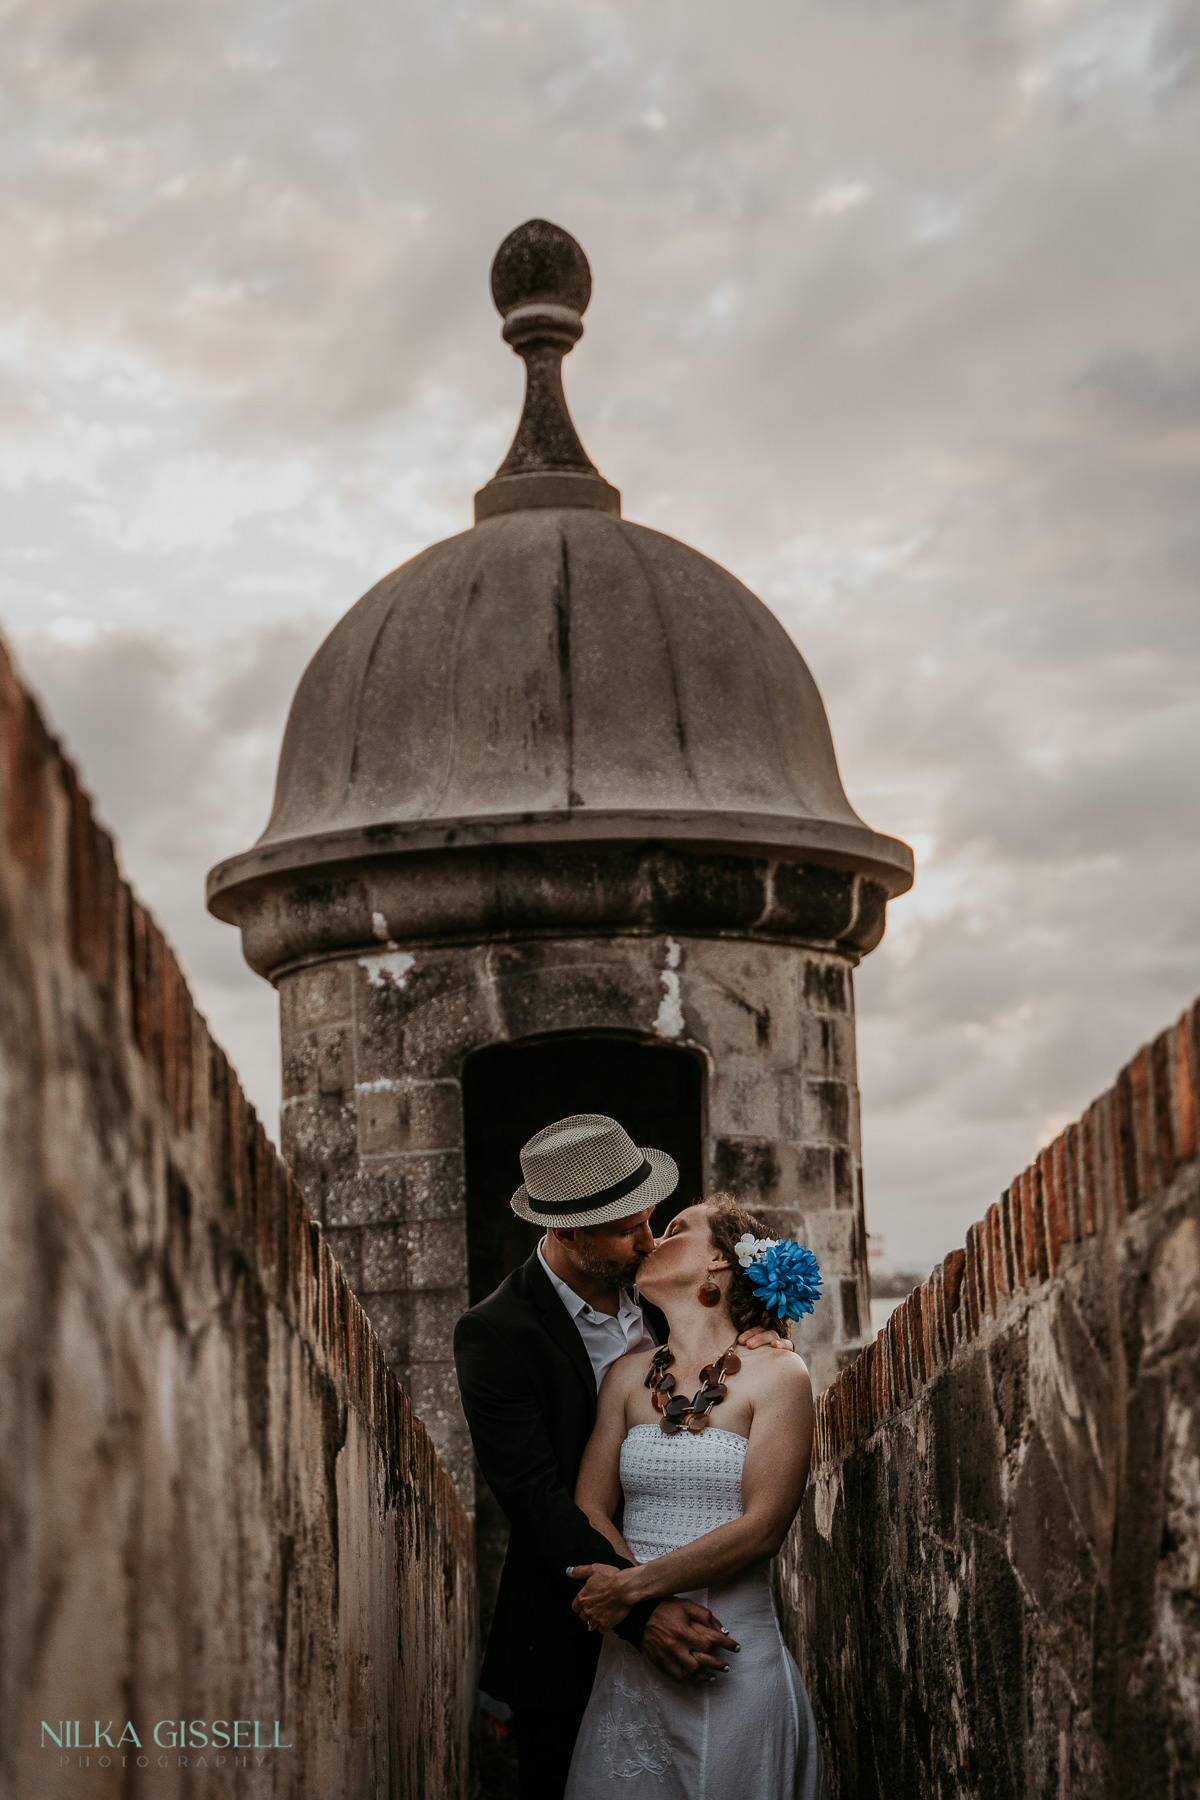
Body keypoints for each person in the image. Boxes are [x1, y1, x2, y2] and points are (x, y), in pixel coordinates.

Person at [453, 1114, 796, 1800]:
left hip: (716, 1620)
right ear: (567, 1232)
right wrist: (640, 1612)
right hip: (567, 1622)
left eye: (652, 1220)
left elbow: (728, 1322)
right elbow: (537, 1498)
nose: (648, 1240)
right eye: (627, 1229)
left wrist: (767, 1333)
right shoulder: (495, 1334)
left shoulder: (662, 1295)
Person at [561, 1192, 829, 1799]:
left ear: (719, 1263)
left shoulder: (780, 1374)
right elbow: (591, 1507)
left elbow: (764, 1528)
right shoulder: (627, 1377)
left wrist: (629, 1587)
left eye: (676, 1229)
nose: (652, 1240)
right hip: (634, 1659)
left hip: (730, 1652)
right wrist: (642, 1614)